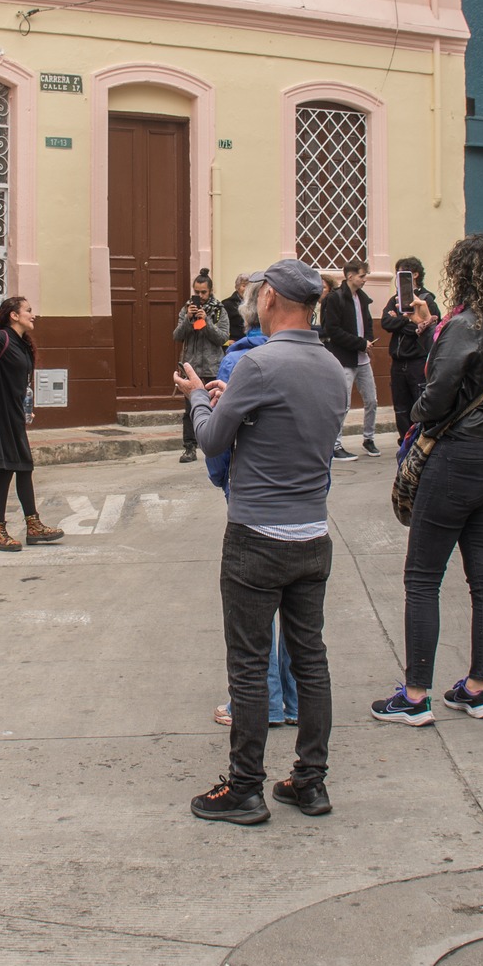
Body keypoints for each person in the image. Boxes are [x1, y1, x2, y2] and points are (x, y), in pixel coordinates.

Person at [178, 260, 344, 822]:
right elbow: (293, 428)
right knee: (311, 659)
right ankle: (310, 781)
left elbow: (211, 438)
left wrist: (201, 396)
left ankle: (245, 787)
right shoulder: (331, 365)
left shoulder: (258, 362)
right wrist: (232, 395)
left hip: (256, 537)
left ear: (269, 299)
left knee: (249, 665)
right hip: (312, 533)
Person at [369, 236, 483, 725]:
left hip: (457, 459)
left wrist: (417, 411)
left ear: (461, 273)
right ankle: (476, 688)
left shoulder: (463, 325)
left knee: (422, 579)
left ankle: (415, 696)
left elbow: (437, 397)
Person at [206, 279, 297, 732]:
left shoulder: (239, 359)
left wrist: (222, 479)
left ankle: (266, 704)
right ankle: (292, 701)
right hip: (306, 507)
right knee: (298, 616)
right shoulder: (315, 358)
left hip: (255, 500)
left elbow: (217, 441)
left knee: (254, 615)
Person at [0, 286, 64, 553]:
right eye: (28, 311)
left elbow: (20, 383)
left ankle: (33, 525)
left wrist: (26, 407)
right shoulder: (0, 338)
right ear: (13, 316)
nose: (34, 315)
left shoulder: (22, 344)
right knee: (6, 470)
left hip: (13, 416)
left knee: (23, 467)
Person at [319, 260, 381, 459]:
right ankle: (335, 445)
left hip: (363, 359)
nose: (365, 280)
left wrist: (369, 340)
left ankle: (368, 439)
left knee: (372, 400)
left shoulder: (362, 298)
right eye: (362, 276)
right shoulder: (335, 298)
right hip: (344, 358)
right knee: (342, 403)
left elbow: (368, 323)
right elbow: (333, 330)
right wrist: (360, 344)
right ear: (350, 276)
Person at [381, 258, 440, 446]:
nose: (399, 278)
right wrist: (408, 322)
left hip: (417, 360)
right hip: (398, 361)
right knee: (400, 406)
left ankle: (420, 441)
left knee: (418, 402)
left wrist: (405, 322)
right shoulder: (395, 299)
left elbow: (430, 325)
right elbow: (385, 323)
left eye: (403, 273)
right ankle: (404, 441)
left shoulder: (426, 299)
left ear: (415, 274)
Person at [174, 269, 231, 465]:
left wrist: (205, 321)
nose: (200, 297)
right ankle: (189, 448)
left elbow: (222, 338)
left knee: (215, 408)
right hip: (192, 368)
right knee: (190, 411)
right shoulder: (185, 310)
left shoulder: (219, 310)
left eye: (203, 293)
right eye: (196, 292)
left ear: (210, 291)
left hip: (213, 368)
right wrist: (189, 321)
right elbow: (177, 336)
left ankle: (215, 448)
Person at [221, 273, 250, 344]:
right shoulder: (227, 304)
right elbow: (222, 326)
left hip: (250, 342)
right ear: (237, 287)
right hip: (235, 343)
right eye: (244, 286)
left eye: (249, 286)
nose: (246, 289)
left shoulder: (254, 303)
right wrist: (226, 342)